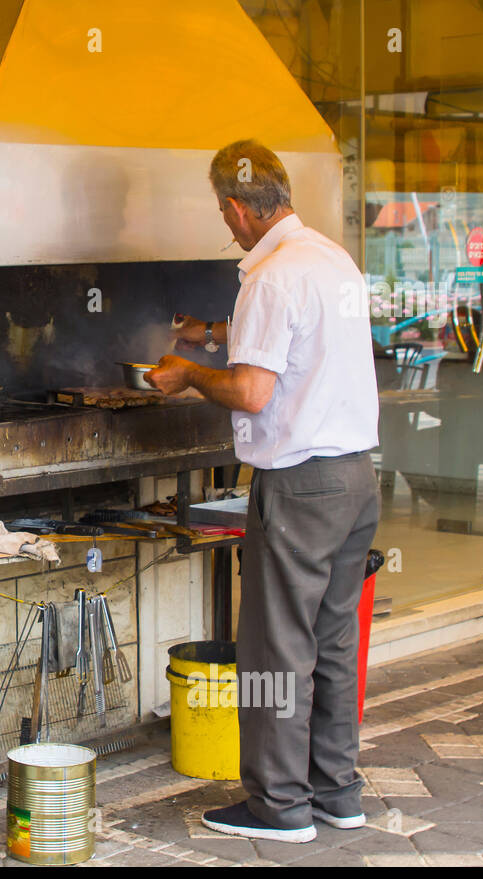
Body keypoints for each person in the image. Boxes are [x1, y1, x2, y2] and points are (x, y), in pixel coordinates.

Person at [146, 139, 380, 843]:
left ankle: (279, 807)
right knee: (331, 641)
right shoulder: (329, 258)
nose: (229, 226)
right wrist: (211, 333)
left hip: (301, 487)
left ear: (238, 208)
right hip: (355, 480)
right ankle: (335, 791)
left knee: (277, 649)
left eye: (227, 215)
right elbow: (295, 336)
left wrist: (187, 370)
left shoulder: (272, 277)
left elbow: (251, 391)